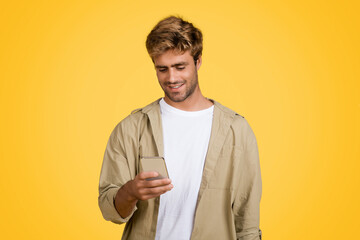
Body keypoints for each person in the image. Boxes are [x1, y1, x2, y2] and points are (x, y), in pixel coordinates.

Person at [98, 16, 262, 240]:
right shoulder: (131, 128)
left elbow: (247, 219)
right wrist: (131, 192)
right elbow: (111, 211)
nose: (171, 78)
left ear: (198, 62)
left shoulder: (237, 130)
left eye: (180, 66)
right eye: (162, 69)